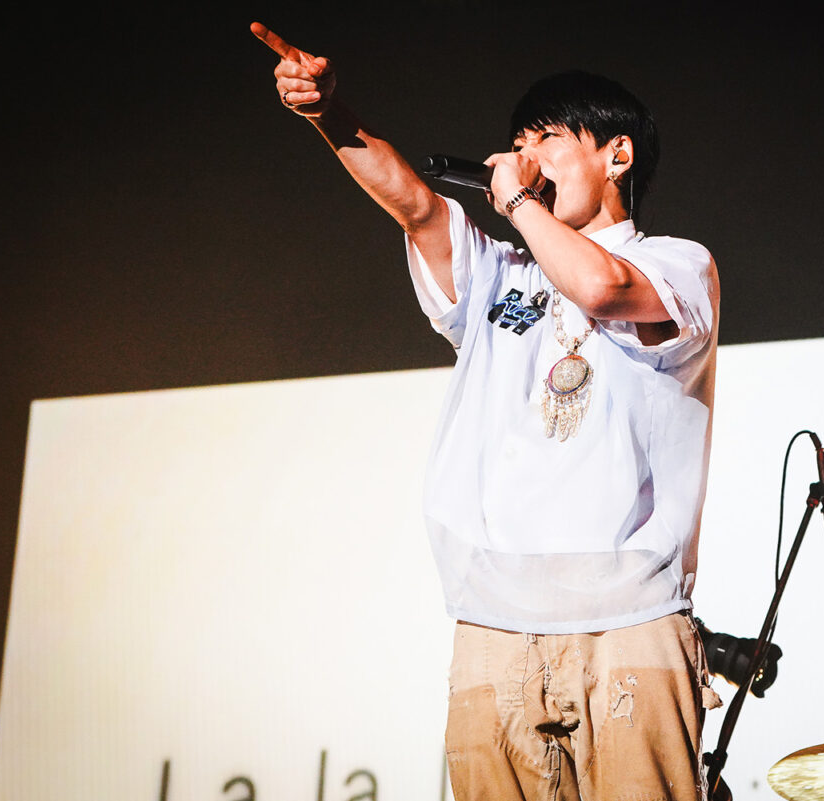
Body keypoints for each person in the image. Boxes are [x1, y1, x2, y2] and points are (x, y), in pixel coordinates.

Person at [252, 21, 722, 800]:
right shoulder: (502, 272)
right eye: (518, 142)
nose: (525, 156)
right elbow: (415, 205)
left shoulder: (676, 263)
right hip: (494, 625)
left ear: (618, 155)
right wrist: (329, 114)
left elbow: (602, 288)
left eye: (549, 138)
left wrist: (519, 203)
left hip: (629, 620)